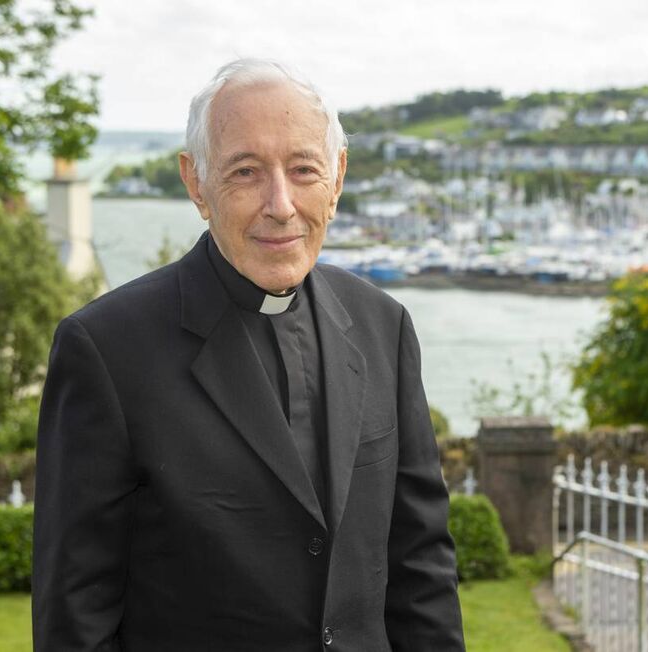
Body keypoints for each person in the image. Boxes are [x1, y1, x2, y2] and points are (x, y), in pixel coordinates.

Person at [31, 58, 464, 651]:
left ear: (337, 178)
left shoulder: (382, 325)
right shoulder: (106, 349)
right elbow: (75, 618)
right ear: (196, 183)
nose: (281, 204)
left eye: (303, 168)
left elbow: (422, 568)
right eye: (246, 171)